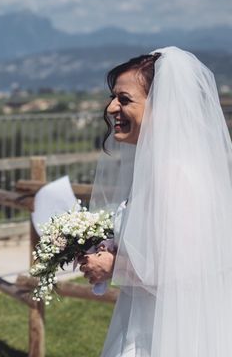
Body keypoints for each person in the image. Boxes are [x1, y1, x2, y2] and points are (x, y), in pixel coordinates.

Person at [80, 47, 232, 356]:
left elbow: (182, 272)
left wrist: (111, 266)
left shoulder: (172, 174)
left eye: (124, 99)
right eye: (113, 98)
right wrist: (115, 247)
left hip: (162, 333)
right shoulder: (166, 167)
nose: (111, 108)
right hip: (145, 320)